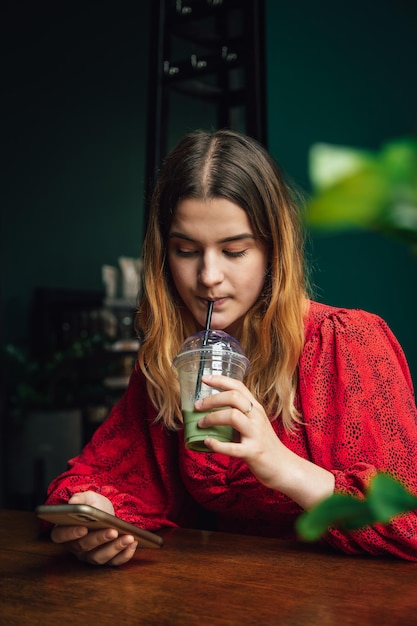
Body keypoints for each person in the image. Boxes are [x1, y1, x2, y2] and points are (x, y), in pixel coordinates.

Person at [45, 129, 417, 566]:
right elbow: (105, 481)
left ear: (273, 252)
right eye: (186, 250)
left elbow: (407, 522)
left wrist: (282, 466)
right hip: (224, 594)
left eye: (234, 251)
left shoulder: (347, 341)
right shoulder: (172, 360)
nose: (207, 276)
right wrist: (95, 519)